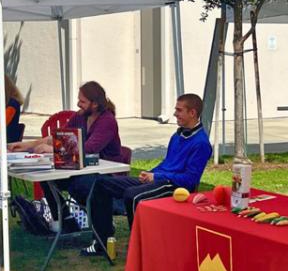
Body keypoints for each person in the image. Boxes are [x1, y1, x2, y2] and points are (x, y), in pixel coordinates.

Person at [85, 94, 212, 256]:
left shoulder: (201, 143)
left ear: (192, 113)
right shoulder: (178, 135)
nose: (174, 114)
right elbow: (167, 163)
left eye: (179, 110)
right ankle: (101, 242)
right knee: (102, 183)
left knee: (133, 196)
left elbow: (190, 180)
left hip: (176, 187)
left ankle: (139, 251)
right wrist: (150, 173)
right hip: (161, 180)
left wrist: (157, 177)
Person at [9, 81, 128, 230]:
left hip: (107, 174)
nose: (78, 104)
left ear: (95, 104)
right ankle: (64, 219)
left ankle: (102, 222)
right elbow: (59, 136)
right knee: (47, 177)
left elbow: (89, 148)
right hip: (81, 169)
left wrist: (52, 150)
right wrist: (27, 145)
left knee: (80, 184)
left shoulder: (107, 121)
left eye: (82, 101)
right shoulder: (81, 116)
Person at [0, 75, 24, 143]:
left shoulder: (12, 104)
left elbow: (1, 126)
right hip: (3, 138)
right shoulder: (3, 103)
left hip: (9, 141)